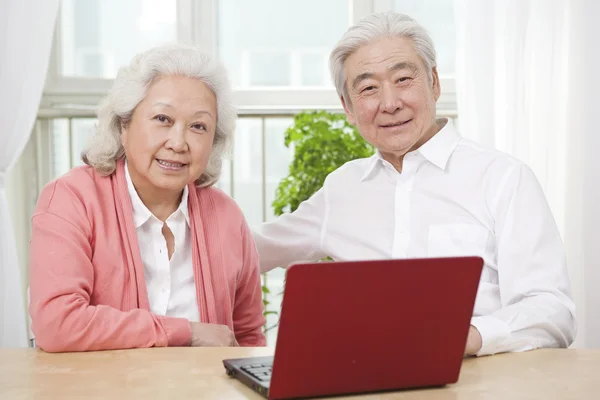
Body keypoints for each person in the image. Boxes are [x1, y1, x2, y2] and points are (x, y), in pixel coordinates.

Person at [253, 11, 576, 356]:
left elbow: (551, 310)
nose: (390, 103)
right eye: (368, 89)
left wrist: (465, 337)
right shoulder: (341, 188)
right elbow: (248, 252)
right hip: (366, 379)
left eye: (404, 79)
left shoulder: (503, 178)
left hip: (479, 378)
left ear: (434, 83)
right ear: (347, 107)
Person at [29, 44, 266, 352]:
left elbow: (247, 339)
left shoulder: (227, 216)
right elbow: (57, 324)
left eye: (198, 126)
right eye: (162, 119)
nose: (178, 143)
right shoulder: (71, 200)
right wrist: (186, 332)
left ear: (214, 141)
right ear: (124, 124)